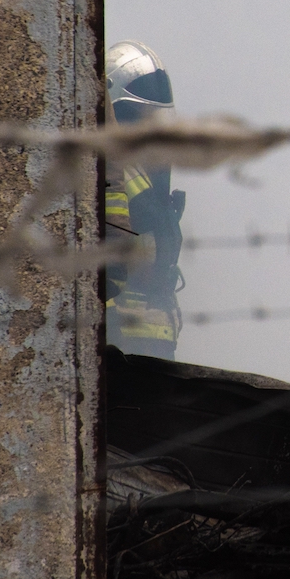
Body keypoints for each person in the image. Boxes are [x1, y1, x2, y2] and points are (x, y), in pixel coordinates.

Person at [104, 40, 187, 359]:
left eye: (156, 116)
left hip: (155, 346)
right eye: (143, 115)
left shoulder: (148, 177)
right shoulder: (108, 174)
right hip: (122, 346)